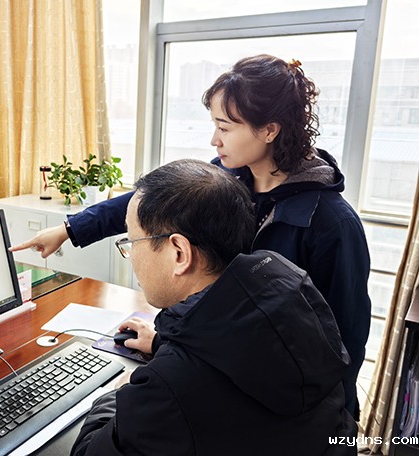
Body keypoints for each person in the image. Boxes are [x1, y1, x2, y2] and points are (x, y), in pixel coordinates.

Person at [10, 54, 371, 421]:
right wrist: (69, 229)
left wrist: (334, 425)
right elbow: (150, 202)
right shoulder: (226, 179)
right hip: (220, 375)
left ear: (269, 130)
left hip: (281, 406)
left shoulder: (332, 224)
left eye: (225, 128)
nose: (214, 140)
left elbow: (346, 341)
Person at [70, 159, 355, 456]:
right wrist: (162, 343)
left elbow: (88, 453)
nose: (130, 253)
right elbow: (241, 354)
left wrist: (118, 394)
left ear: (179, 253)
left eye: (132, 241)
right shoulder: (290, 291)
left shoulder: (168, 388)